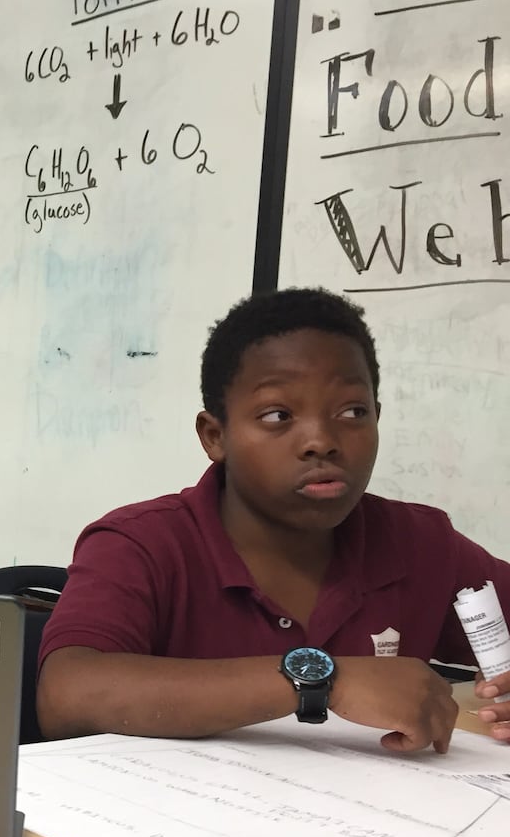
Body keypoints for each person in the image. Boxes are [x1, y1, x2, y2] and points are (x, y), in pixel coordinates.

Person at [36, 288, 510, 752]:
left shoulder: (422, 544)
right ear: (215, 436)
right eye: (278, 415)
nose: (321, 440)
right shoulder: (142, 544)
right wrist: (323, 680)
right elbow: (67, 696)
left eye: (353, 411)